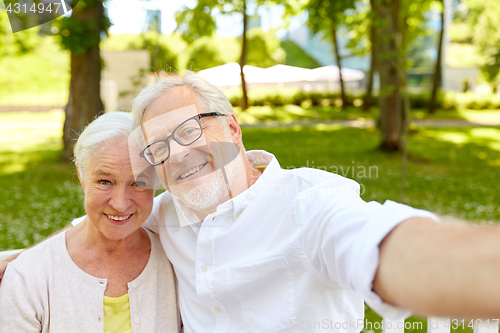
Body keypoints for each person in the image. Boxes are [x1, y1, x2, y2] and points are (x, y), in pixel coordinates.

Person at [3, 73, 500, 332]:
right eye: (160, 147)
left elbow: (382, 245)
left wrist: (478, 271)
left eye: (191, 129)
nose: (179, 154)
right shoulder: (166, 214)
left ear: (233, 126)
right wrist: (18, 265)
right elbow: (99, 226)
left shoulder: (311, 205)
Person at [0, 112, 181, 333]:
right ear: (81, 176)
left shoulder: (178, 260)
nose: (120, 204)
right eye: (105, 181)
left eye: (138, 182)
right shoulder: (28, 277)